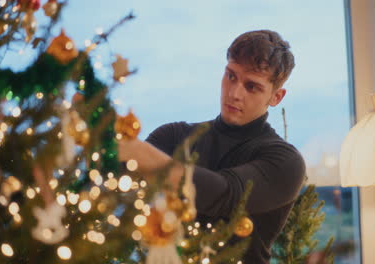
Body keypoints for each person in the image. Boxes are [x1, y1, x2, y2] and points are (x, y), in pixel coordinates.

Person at [118, 29, 306, 263]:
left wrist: (140, 152)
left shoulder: (285, 161)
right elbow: (119, 189)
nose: (235, 93)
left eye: (252, 86)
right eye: (231, 76)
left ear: (276, 97)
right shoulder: (174, 137)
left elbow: (225, 194)